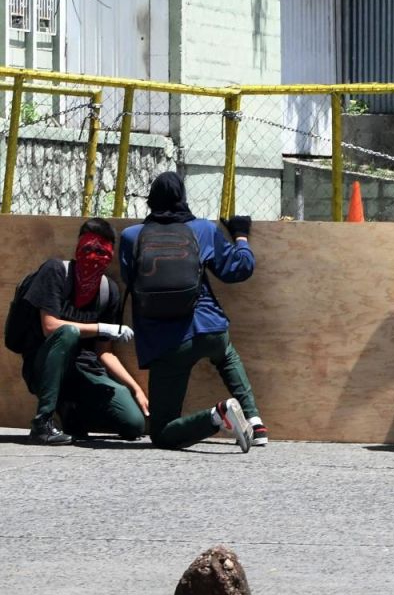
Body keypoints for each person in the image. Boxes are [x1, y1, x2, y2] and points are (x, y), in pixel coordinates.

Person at [119, 173, 264, 452]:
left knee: (162, 433)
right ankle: (255, 421)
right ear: (182, 198)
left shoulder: (130, 237)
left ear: (151, 200)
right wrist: (241, 235)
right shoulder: (203, 230)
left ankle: (217, 415)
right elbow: (238, 269)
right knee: (225, 353)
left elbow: (131, 280)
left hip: (166, 343)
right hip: (210, 329)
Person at [9, 219, 145, 445]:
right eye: (88, 249)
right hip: (42, 367)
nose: (93, 257)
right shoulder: (55, 271)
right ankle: (42, 423)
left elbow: (105, 352)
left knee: (133, 424)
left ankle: (73, 410)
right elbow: (50, 326)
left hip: (84, 369)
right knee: (68, 332)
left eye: (101, 252)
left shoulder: (107, 290)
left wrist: (135, 388)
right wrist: (103, 328)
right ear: (77, 249)